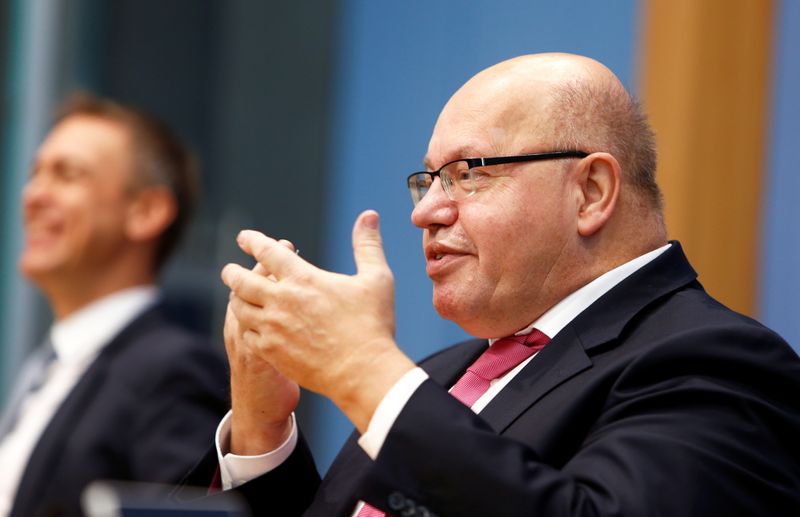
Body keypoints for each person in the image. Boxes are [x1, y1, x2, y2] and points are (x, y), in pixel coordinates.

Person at [196, 53, 800, 515]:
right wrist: (261, 427)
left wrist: (363, 371)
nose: (426, 210)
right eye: (428, 180)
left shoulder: (716, 362)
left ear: (590, 192)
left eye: (467, 174)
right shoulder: (440, 377)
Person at [0, 94, 229, 517]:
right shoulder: (44, 369)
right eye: (35, 174)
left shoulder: (173, 370)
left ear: (146, 211)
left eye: (67, 175)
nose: (32, 195)